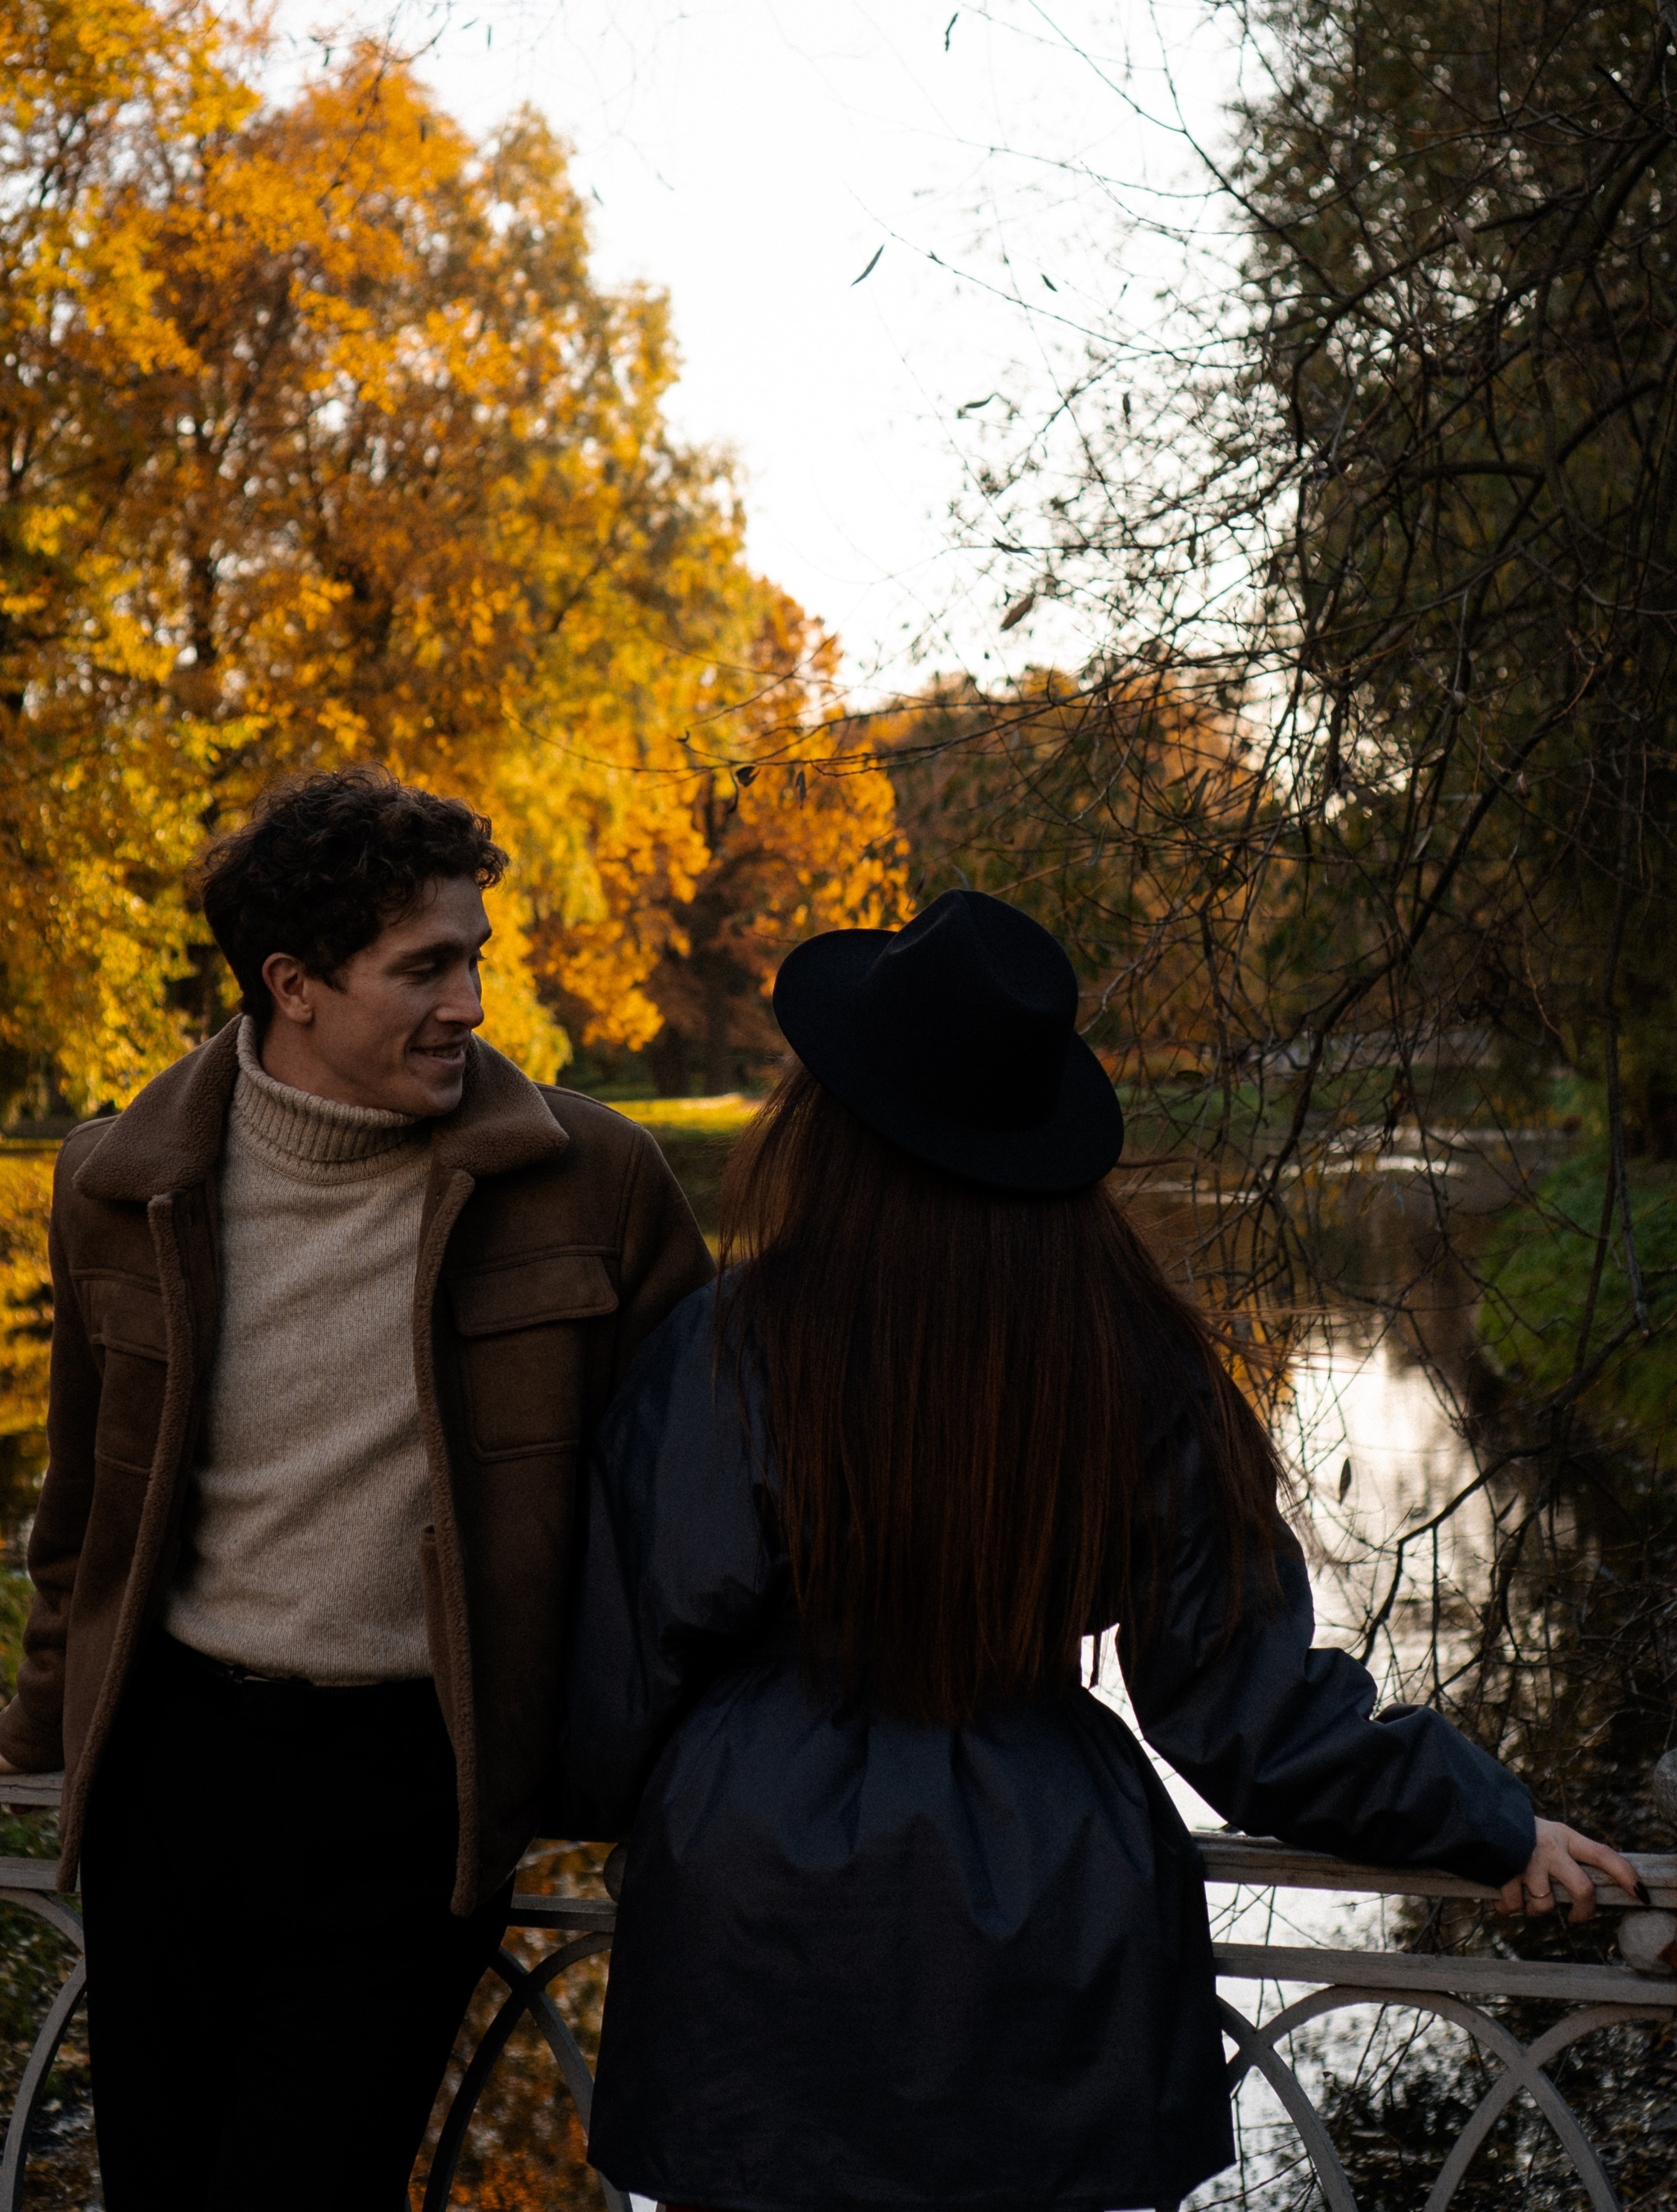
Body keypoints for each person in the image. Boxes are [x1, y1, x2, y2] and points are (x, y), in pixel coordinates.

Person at [559, 887, 1643, 2212]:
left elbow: (621, 1681)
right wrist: (1484, 1818)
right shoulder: (1136, 1361)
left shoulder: (729, 1346)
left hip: (755, 1922)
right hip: (1048, 1905)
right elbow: (1247, 1712)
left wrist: (616, 1811)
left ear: (831, 1123)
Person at [0, 768, 712, 2209]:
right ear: (295, 984)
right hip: (168, 1776)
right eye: (424, 968)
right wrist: (37, 1752)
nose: (467, 1004)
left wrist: (655, 1764)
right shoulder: (117, 1186)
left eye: (473, 961)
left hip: (414, 1792)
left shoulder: (597, 1184)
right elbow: (84, 1512)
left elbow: (689, 1527)